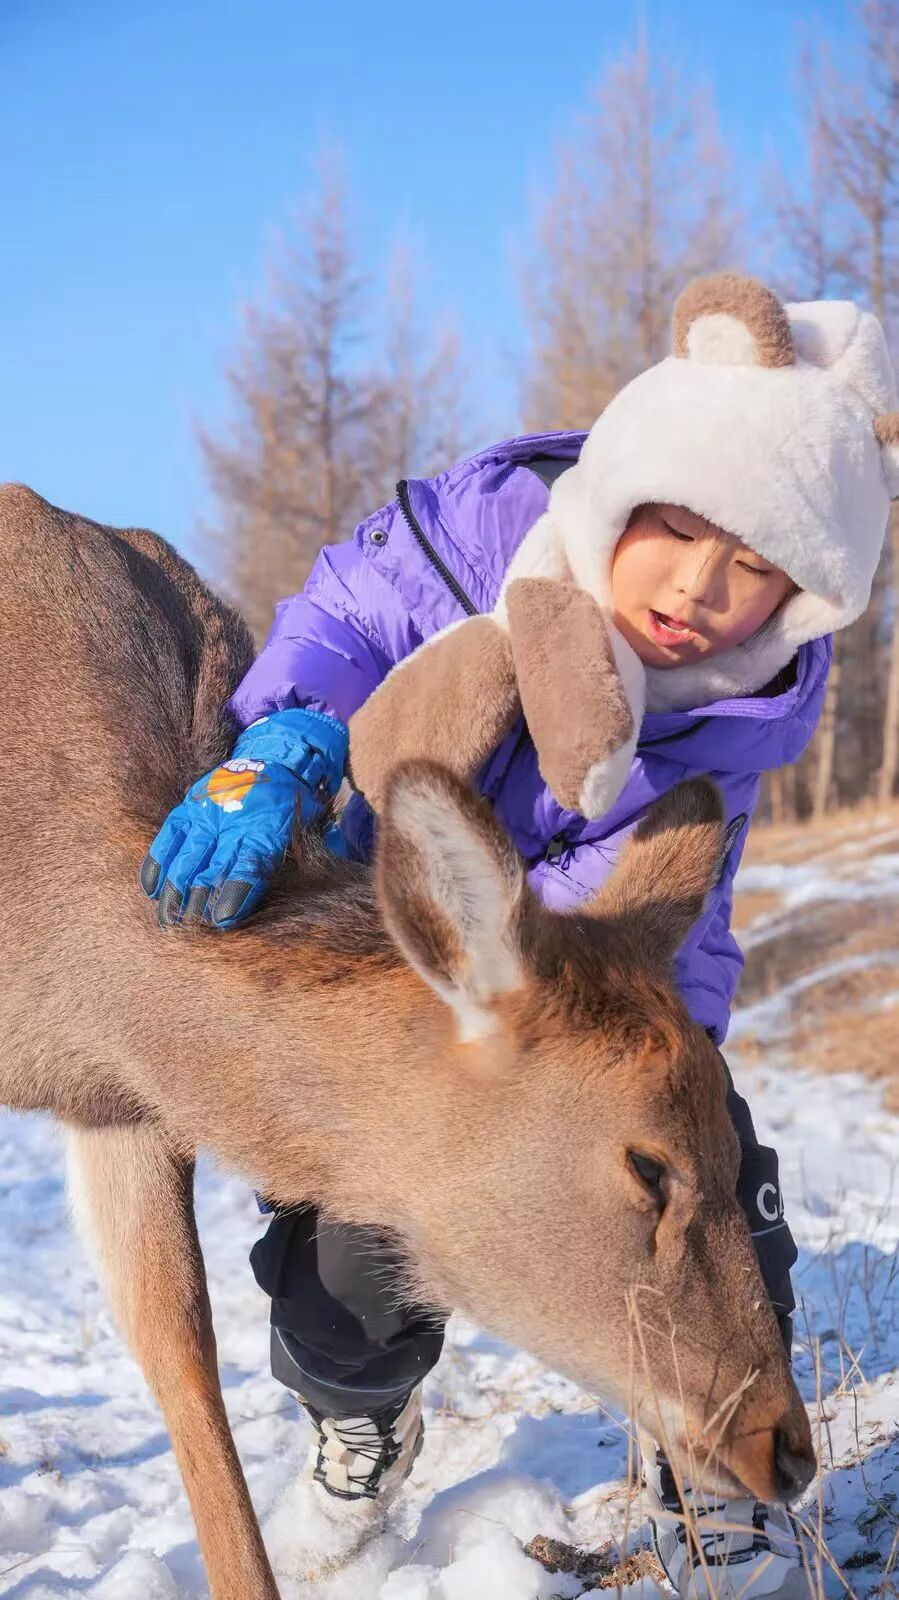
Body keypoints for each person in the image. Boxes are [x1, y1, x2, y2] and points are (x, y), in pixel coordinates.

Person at [141, 273, 899, 1597]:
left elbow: (669, 923)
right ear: (628, 492)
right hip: (385, 967)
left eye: (755, 566)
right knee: (346, 1264)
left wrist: (643, 1068)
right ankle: (361, 1423)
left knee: (706, 1172)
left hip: (554, 995)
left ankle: (708, 1437)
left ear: (799, 599)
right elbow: (347, 617)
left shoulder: (722, 727)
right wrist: (290, 730)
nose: (698, 587)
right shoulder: (478, 534)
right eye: (680, 529)